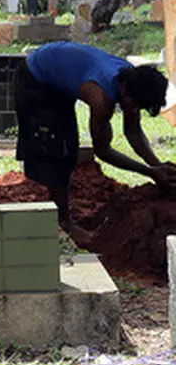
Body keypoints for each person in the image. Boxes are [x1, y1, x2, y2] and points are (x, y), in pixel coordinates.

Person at [13, 41, 176, 245]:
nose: (134, 110)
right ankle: (65, 223)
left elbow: (133, 131)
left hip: (60, 74)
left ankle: (61, 211)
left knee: (67, 145)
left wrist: (157, 165)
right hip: (35, 77)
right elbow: (103, 150)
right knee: (58, 150)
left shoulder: (132, 81)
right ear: (126, 94)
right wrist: (150, 172)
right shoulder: (100, 97)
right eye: (134, 105)